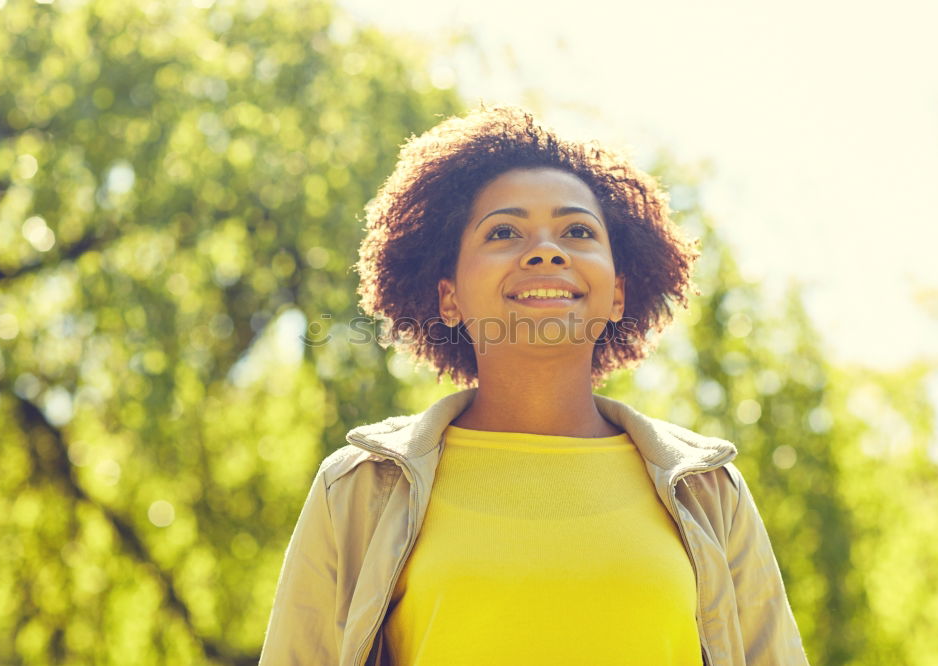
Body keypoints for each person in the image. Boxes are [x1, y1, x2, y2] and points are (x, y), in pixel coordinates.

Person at [259, 106, 808, 665]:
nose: (547, 250)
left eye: (577, 230)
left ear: (617, 293)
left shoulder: (709, 490)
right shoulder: (359, 488)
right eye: (504, 231)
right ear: (448, 297)